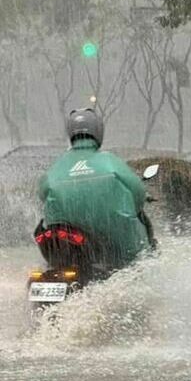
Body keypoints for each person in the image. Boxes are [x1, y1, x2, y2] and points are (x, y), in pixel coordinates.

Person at [36, 108, 156, 272]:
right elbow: (138, 192)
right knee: (138, 261)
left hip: (65, 242)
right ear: (98, 131)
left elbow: (42, 194)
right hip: (116, 244)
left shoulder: (55, 168)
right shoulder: (109, 161)